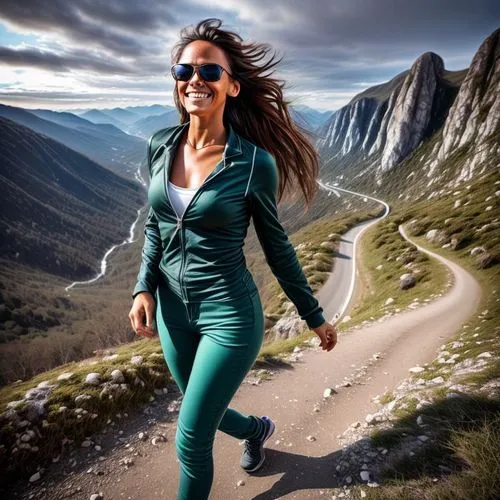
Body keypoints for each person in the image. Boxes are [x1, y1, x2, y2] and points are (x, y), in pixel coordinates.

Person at [128, 17, 338, 500]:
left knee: (191, 434)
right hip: (172, 311)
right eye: (184, 71)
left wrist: (313, 316)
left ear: (233, 85)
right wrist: (143, 286)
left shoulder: (252, 164)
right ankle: (256, 431)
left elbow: (276, 245)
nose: (194, 80)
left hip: (229, 314)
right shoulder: (160, 144)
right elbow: (157, 224)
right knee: (204, 408)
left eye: (208, 71)